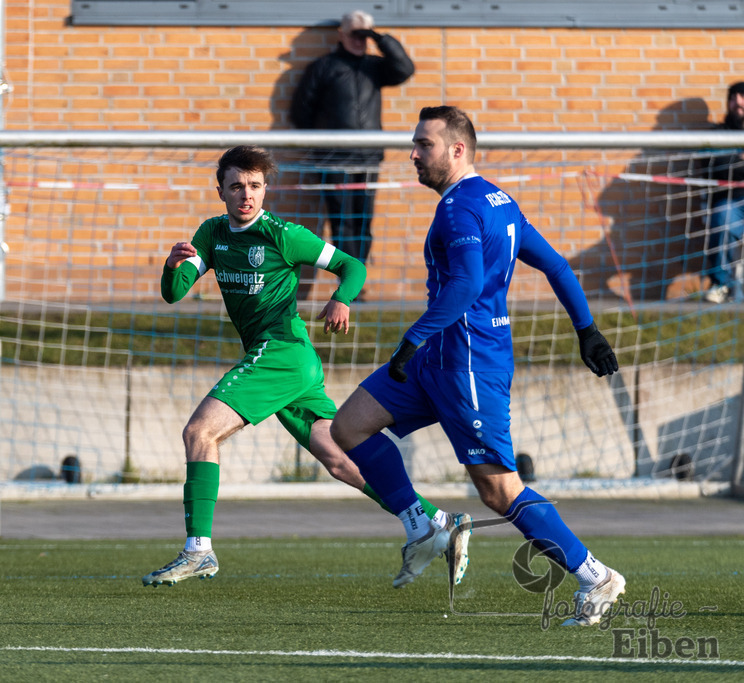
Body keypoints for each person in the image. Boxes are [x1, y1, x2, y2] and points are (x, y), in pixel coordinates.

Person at [329, 107, 626, 626]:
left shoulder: (460, 208)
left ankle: (594, 575)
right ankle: (423, 524)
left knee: (498, 490)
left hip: (467, 362)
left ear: (457, 150)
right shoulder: (498, 199)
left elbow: (466, 285)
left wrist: (411, 338)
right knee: (349, 426)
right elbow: (555, 264)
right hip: (437, 361)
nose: (414, 154)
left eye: (424, 144)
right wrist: (586, 329)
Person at [143, 145, 471, 587]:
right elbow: (175, 291)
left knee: (199, 432)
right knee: (338, 460)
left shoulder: (282, 234)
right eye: (237, 186)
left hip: (281, 351)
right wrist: (171, 267)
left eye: (255, 186)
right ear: (219, 189)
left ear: (265, 189)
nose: (246, 195)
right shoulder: (211, 233)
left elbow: (351, 266)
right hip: (288, 363)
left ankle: (197, 549)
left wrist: (342, 298)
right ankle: (440, 522)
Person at [288, 9, 415, 265]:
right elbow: (300, 112)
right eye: (354, 35)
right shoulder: (324, 67)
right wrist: (324, 143)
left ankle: (359, 276)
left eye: (364, 36)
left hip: (368, 158)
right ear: (341, 35)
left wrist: (379, 38)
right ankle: (348, 278)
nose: (359, 41)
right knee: (342, 223)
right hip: (334, 159)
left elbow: (405, 68)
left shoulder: (375, 67)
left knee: (363, 221)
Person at [703, 81, 744, 304]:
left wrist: (735, 162)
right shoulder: (718, 133)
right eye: (733, 97)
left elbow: (729, 164)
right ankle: (720, 284)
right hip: (732, 202)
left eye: (742, 96)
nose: (737, 102)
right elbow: (715, 164)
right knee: (723, 215)